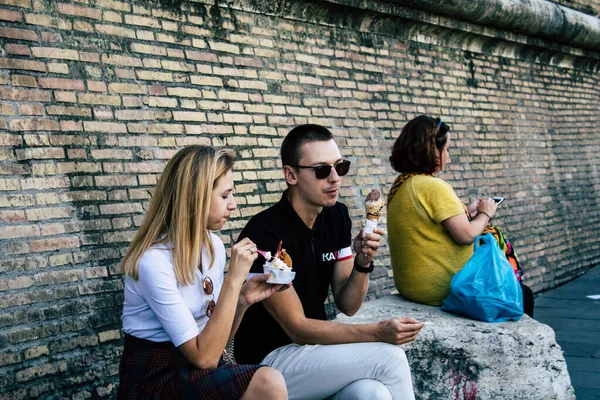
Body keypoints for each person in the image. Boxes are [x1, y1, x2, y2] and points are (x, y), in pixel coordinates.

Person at [234, 124, 424, 400]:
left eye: (340, 167)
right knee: (390, 358)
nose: (335, 178)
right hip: (268, 362)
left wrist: (362, 261)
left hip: (315, 350)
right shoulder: (266, 234)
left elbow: (348, 304)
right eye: (322, 170)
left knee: (372, 393)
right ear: (291, 175)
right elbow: (297, 328)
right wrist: (378, 332)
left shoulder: (336, 217)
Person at [117, 146, 288, 399]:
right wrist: (234, 279)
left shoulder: (213, 246)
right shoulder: (153, 262)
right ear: (196, 196)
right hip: (155, 379)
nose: (233, 205)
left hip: (195, 368)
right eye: (225, 195)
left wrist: (241, 301)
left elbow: (216, 344)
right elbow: (205, 358)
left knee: (266, 380)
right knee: (267, 382)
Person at [387, 115, 534, 317]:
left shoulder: (402, 183)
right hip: (440, 289)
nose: (449, 156)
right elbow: (465, 236)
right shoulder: (433, 186)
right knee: (523, 295)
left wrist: (467, 211)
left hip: (412, 286)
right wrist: (485, 213)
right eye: (447, 149)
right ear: (432, 151)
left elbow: (431, 224)